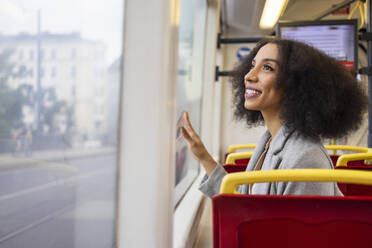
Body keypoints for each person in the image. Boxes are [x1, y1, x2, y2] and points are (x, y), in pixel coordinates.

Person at [181, 38, 368, 198]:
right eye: (253, 66)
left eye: (267, 68)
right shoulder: (270, 141)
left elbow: (304, 237)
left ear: (295, 84)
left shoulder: (306, 159)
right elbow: (249, 204)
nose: (248, 76)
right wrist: (204, 158)